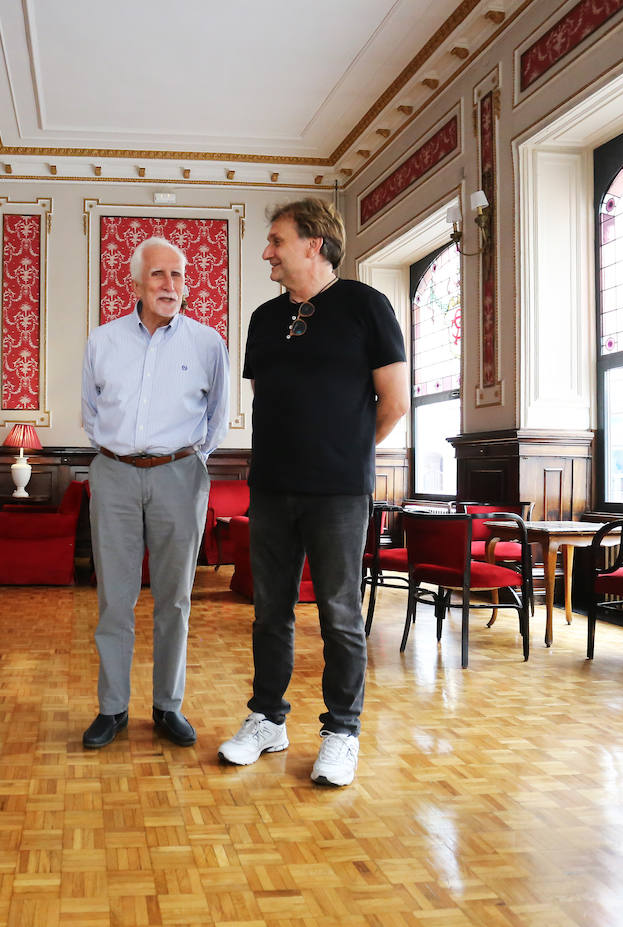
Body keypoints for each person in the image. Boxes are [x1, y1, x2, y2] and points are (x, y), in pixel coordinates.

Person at [217, 199, 407, 786]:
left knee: (339, 616)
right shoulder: (263, 320)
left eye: (276, 240)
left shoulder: (367, 307)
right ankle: (267, 720)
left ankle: (341, 732)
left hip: (337, 495)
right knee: (269, 614)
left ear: (313, 244)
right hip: (271, 489)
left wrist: (346, 457)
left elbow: (394, 403)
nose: (267, 252)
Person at [80, 236, 230, 749]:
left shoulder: (208, 343)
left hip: (179, 475)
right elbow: (90, 413)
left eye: (179, 275)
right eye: (160, 275)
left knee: (175, 601)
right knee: (114, 601)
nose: (171, 285)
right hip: (114, 474)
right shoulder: (102, 341)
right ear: (136, 282)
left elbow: (216, 421)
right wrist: (124, 455)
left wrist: (185, 463)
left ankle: (167, 706)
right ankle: (112, 709)